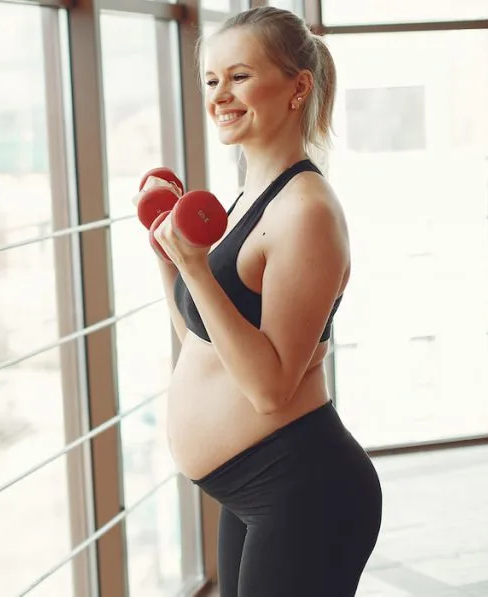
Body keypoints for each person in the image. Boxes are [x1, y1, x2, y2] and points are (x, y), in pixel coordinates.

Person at [140, 7, 383, 596]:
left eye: (240, 76)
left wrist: (197, 268)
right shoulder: (248, 198)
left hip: (303, 490)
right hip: (252, 489)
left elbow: (271, 387)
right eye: (211, 80)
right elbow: (206, 347)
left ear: (298, 87)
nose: (221, 94)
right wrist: (168, 260)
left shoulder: (306, 212)